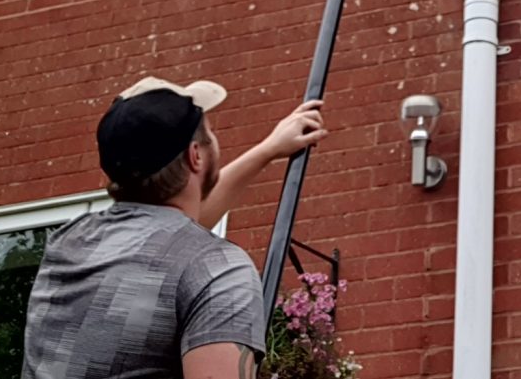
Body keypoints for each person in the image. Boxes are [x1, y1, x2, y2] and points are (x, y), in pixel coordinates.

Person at [20, 75, 327, 379]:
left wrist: (267, 151)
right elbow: (182, 249)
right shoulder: (217, 269)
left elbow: (169, 241)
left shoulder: (70, 243)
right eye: (209, 131)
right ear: (196, 155)